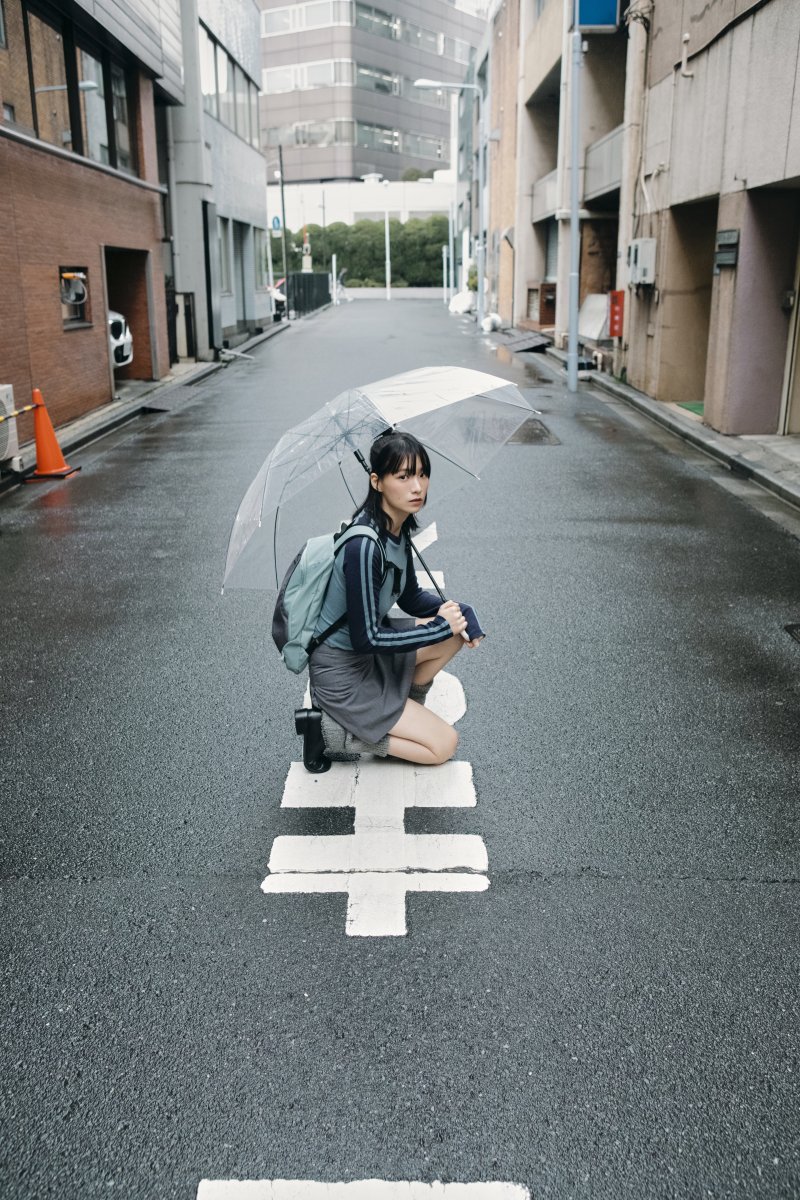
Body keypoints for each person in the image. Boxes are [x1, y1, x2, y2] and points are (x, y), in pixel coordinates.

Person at [299, 430, 483, 771]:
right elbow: (366, 637)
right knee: (444, 745)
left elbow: (411, 597)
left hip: (370, 659)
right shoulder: (364, 546)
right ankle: (333, 733)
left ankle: (400, 715)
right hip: (343, 673)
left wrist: (460, 612)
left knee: (454, 633)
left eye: (422, 474)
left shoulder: (397, 528)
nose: (417, 487)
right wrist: (439, 627)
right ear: (377, 481)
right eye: (403, 476)